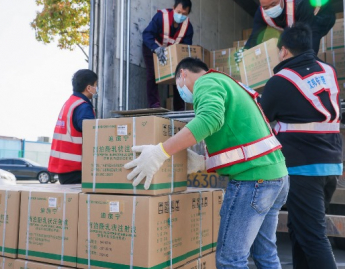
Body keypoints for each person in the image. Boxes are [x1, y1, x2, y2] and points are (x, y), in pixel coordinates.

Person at [124, 57, 289, 268]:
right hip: (276, 178)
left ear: (183, 74)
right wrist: (204, 162)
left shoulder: (206, 82)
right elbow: (240, 141)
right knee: (265, 255)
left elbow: (210, 119)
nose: (182, 93)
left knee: (230, 261)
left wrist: (161, 152)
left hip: (254, 181)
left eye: (178, 86)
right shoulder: (227, 84)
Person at [260, 23, 341, 269]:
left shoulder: (280, 81)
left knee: (313, 237)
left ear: (284, 51)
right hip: (331, 166)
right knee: (300, 229)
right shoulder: (329, 71)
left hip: (303, 168)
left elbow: (261, 118)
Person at [142, 0, 194, 111]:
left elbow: (186, 48)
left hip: (172, 52)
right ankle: (154, 105)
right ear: (173, 8)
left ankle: (179, 108)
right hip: (152, 47)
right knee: (152, 75)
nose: (180, 15)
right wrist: (155, 48)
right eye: (178, 12)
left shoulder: (188, 27)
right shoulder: (161, 17)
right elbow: (147, 34)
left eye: (184, 14)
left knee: (180, 76)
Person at [242, 0, 335, 55]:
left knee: (303, 48)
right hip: (293, 23)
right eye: (266, 7)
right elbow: (254, 36)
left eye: (273, 4)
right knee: (281, 48)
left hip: (319, 17)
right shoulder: (261, 13)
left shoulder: (300, 1)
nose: (270, 9)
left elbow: (310, 33)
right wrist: (245, 52)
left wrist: (309, 59)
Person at [48, 69, 97, 184]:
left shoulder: (70, 103)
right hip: (76, 169)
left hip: (64, 167)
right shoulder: (83, 107)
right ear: (88, 88)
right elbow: (93, 135)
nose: (96, 89)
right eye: (95, 85)